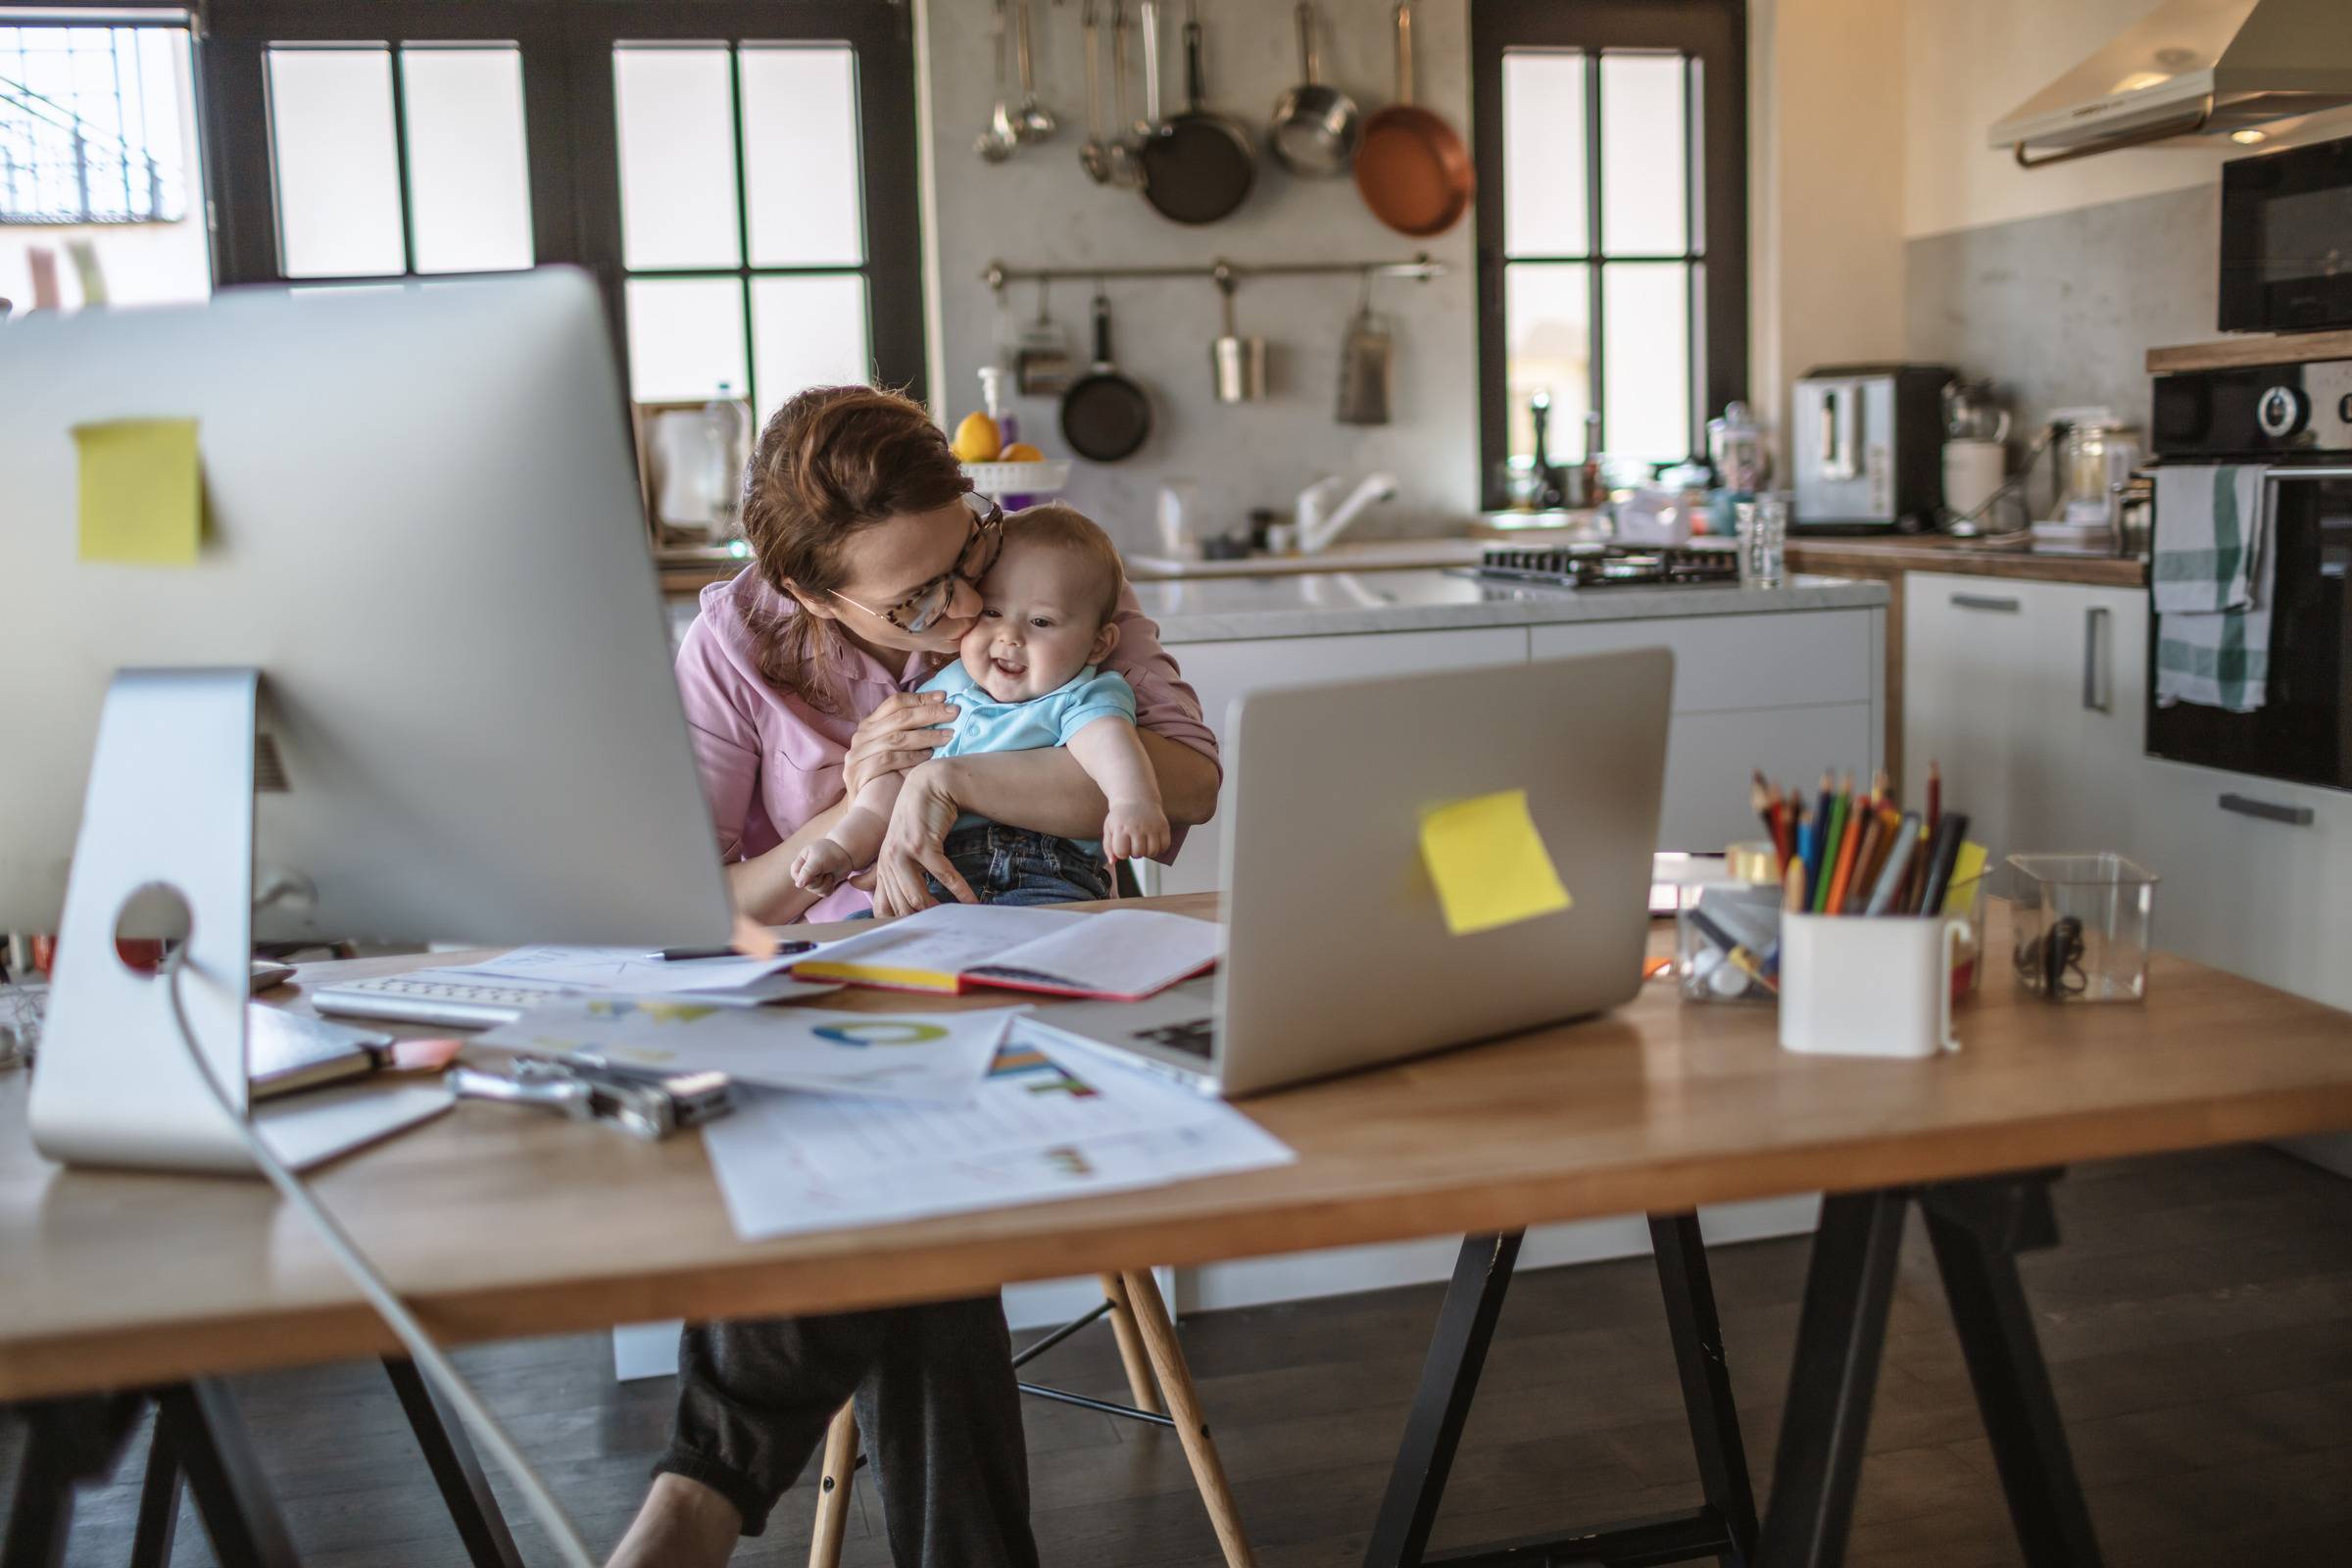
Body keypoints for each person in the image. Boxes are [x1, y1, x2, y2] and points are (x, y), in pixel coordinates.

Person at [606, 385, 1219, 1568]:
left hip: (1046, 966)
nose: (961, 613)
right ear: (810, 597)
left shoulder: (1046, 566)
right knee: (907, 1173)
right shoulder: (737, 643)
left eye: (964, 558)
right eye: (912, 602)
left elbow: (1184, 781)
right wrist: (841, 820)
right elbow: (688, 907)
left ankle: (702, 1492)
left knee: (890, 1160)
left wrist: (962, 782)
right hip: (850, 991)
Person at [791, 502, 1168, 909]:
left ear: (1097, 644)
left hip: (1046, 871)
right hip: (939, 878)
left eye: (1040, 622)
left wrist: (1132, 801)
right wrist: (843, 847)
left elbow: (1109, 744)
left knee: (1037, 951)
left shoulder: (1080, 695)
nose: (1009, 636)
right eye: (992, 612)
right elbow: (894, 782)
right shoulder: (948, 688)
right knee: (862, 949)